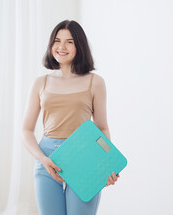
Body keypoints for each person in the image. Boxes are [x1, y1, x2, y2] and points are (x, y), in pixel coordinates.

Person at [21, 20, 119, 215]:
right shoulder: (41, 83)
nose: (61, 47)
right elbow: (26, 130)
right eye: (57, 41)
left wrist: (105, 164)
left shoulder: (95, 82)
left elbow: (102, 128)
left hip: (85, 157)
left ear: (79, 46)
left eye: (70, 42)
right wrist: (43, 159)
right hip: (48, 158)